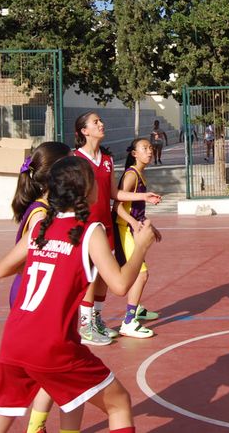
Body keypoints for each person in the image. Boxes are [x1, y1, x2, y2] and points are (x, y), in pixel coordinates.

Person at [0, 156, 158, 433]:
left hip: (15, 338)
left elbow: (0, 270)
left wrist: (47, 258)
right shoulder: (89, 231)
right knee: (119, 402)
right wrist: (141, 246)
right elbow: (120, 285)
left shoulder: (40, 227)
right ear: (86, 189)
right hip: (52, 344)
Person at [73, 112, 161, 345]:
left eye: (101, 120)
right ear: (84, 131)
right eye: (95, 122)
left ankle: (98, 319)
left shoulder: (107, 160)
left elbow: (115, 195)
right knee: (90, 276)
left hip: (105, 224)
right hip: (86, 225)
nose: (101, 124)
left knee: (103, 274)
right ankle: (85, 325)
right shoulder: (75, 159)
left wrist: (144, 195)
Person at [7, 141, 72, 433]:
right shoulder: (41, 215)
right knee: (61, 373)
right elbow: (24, 261)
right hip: (35, 295)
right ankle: (35, 427)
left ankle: (36, 426)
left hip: (32, 293)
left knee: (49, 372)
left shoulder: (44, 208)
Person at [113, 138, 164, 339]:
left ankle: (138, 308)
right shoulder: (131, 175)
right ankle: (128, 322)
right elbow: (117, 204)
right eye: (144, 148)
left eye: (150, 148)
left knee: (138, 272)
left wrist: (151, 227)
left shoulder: (139, 174)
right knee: (141, 274)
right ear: (134, 153)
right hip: (125, 229)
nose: (149, 151)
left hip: (132, 228)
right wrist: (133, 224)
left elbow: (134, 208)